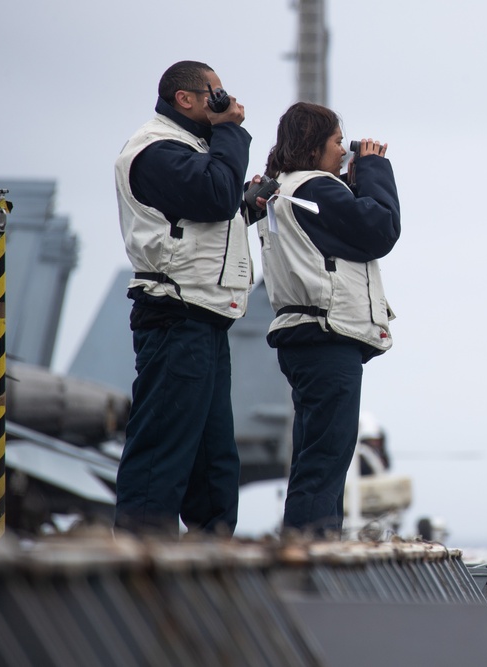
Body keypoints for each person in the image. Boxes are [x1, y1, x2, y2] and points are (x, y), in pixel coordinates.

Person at [113, 60, 258, 538]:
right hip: (175, 315)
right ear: (186, 99)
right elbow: (214, 196)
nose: (223, 101)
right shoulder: (156, 149)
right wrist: (231, 131)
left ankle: (209, 563)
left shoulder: (193, 149)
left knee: (213, 458)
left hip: (206, 316)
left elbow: (212, 213)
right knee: (163, 449)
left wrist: (249, 206)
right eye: (215, 93)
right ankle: (139, 568)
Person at [258, 101, 400, 537]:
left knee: (315, 455)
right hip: (326, 336)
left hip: (304, 335)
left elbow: (338, 238)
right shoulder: (314, 189)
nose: (344, 151)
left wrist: (352, 184)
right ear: (314, 144)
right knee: (327, 458)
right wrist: (375, 170)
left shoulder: (285, 190)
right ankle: (313, 551)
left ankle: (308, 545)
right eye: (338, 142)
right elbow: (378, 229)